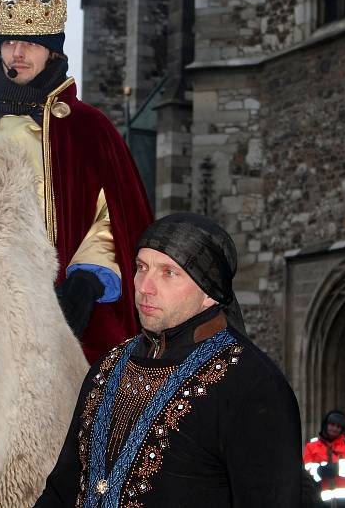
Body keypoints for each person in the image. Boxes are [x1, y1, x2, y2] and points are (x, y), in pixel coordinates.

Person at [34, 212, 302, 507]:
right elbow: (61, 492)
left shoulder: (252, 386)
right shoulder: (107, 367)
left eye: (168, 272)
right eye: (141, 267)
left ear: (209, 291)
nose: (145, 287)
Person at [0, 0, 152, 362]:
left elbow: (111, 215)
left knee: (111, 369)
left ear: (52, 52)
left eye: (31, 44)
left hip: (63, 295)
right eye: (9, 43)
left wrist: (88, 278)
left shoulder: (89, 126)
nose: (17, 53)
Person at [303, 410, 345, 505]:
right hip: (321, 499)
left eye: (339, 427)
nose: (335, 428)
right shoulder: (311, 446)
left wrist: (339, 468)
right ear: (325, 425)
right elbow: (306, 471)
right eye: (332, 424)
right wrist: (319, 471)